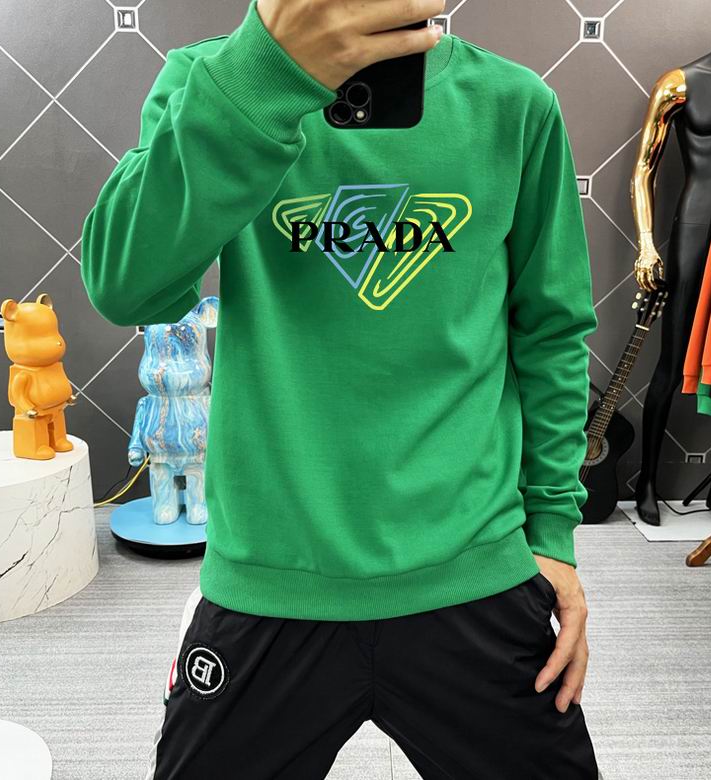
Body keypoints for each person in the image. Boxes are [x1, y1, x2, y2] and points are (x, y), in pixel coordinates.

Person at [81, 0, 600, 777]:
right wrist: (259, 76)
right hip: (269, 576)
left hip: (471, 566)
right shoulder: (211, 81)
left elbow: (551, 334)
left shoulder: (514, 105)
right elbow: (126, 286)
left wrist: (553, 536)